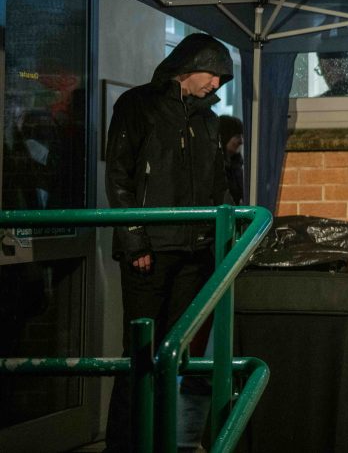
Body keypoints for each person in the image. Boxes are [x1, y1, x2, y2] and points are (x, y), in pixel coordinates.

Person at [104, 32, 233, 452]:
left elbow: (218, 185)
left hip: (193, 252)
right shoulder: (137, 105)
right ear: (189, 65)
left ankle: (158, 439)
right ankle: (124, 444)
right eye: (213, 73)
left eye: (221, 77)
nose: (217, 83)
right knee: (139, 352)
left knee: (171, 353)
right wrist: (135, 241)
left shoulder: (208, 119)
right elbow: (118, 177)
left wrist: (228, 237)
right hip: (150, 252)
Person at [218, 114, 244, 205]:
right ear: (225, 136)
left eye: (241, 136)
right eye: (237, 136)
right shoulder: (216, 168)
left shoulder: (236, 165)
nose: (241, 141)